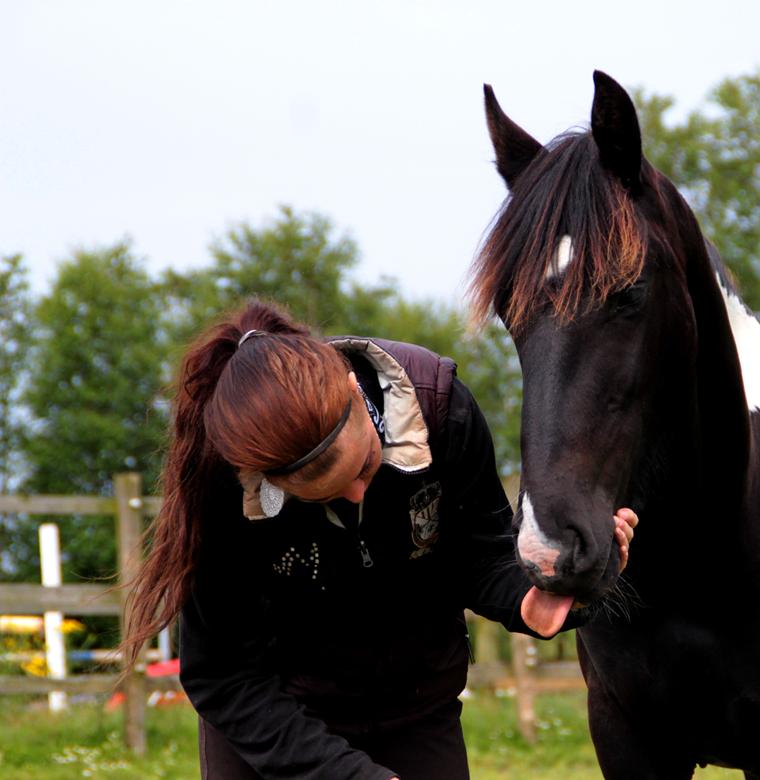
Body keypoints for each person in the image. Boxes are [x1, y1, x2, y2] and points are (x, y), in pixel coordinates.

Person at [120, 300, 637, 779]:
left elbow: (478, 552)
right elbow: (223, 675)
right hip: (274, 725)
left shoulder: (438, 405)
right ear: (268, 480)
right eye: (321, 496)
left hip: (416, 706)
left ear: (352, 390)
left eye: (364, 465)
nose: (358, 492)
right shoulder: (220, 480)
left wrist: (532, 599)